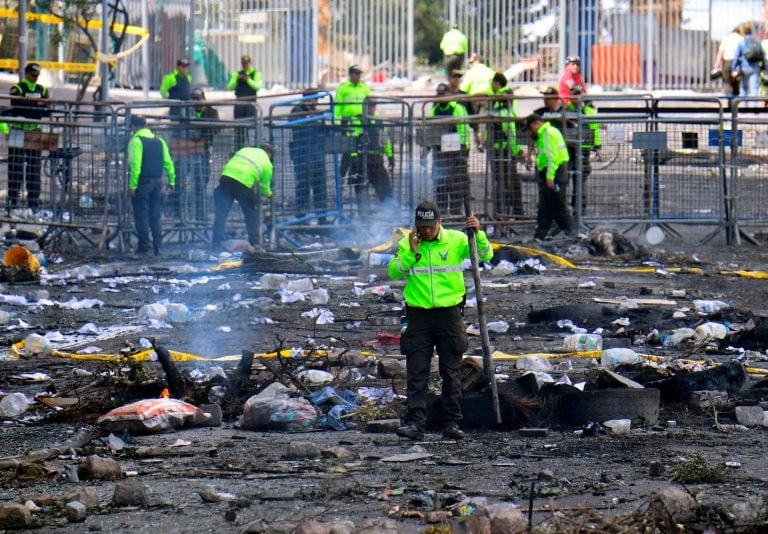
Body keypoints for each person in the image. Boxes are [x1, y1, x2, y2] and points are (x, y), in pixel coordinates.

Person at [389, 200, 493, 441]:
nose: (426, 231)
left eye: (430, 226)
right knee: (417, 371)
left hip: (449, 315)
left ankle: (452, 423)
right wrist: (412, 253)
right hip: (418, 316)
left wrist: (477, 233)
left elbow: (486, 254)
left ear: (440, 223)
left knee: (451, 371)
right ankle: (415, 423)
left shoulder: (456, 240)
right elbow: (394, 271)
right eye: (421, 227)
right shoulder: (407, 243)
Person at [126, 116, 176, 255]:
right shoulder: (159, 141)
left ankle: (143, 247)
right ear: (146, 125)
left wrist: (133, 185)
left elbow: (136, 165)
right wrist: (172, 181)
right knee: (155, 215)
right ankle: (158, 247)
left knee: (141, 215)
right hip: (157, 182)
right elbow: (168, 162)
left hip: (143, 182)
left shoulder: (136, 141)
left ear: (133, 127)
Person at [211, 144, 273, 250]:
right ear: (269, 154)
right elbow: (264, 187)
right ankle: (255, 244)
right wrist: (270, 194)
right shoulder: (267, 163)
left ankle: (216, 244)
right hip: (243, 184)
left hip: (226, 178)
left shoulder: (245, 150)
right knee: (250, 214)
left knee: (221, 214)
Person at [523, 113, 574, 242]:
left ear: (536, 124)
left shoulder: (547, 134)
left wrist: (550, 177)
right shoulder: (547, 132)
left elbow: (552, 157)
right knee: (547, 205)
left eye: (530, 129)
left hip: (554, 173)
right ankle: (540, 236)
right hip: (553, 172)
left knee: (556, 205)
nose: (530, 133)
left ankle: (572, 233)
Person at [7, 62, 50, 213]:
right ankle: (13, 200)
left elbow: (46, 108)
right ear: (26, 73)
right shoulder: (17, 87)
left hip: (35, 132)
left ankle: (33, 201)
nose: (35, 78)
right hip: (18, 131)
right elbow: (17, 104)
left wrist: (30, 103)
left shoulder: (43, 89)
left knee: (34, 169)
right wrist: (36, 104)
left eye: (37, 75)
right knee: (15, 168)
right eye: (33, 75)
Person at [427, 83, 470, 215]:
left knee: (457, 185)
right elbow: (430, 132)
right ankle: (442, 215)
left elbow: (464, 129)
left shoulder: (457, 108)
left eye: (443, 94)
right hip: (439, 154)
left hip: (455, 153)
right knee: (440, 185)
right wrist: (427, 149)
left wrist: (464, 149)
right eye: (439, 95)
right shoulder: (433, 111)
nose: (441, 97)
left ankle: (456, 214)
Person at [334, 65, 371, 210]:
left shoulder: (364, 88)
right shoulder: (343, 88)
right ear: (350, 75)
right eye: (355, 73)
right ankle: (340, 185)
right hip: (347, 126)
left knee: (360, 158)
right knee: (346, 158)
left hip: (361, 128)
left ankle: (358, 186)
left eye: (359, 73)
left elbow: (371, 104)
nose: (358, 76)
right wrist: (337, 123)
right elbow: (337, 106)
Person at [488, 72, 523, 217]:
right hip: (505, 147)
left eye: (492, 82)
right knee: (511, 181)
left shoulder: (501, 98)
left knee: (502, 181)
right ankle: (514, 211)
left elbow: (509, 130)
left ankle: (502, 212)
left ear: (497, 83)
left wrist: (516, 149)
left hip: (501, 148)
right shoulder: (499, 100)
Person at [289, 89, 328, 220]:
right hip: (303, 155)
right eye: (314, 99)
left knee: (320, 188)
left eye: (317, 100)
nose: (316, 102)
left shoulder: (316, 112)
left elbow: (323, 130)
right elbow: (298, 126)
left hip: (317, 155)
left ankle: (322, 217)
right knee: (303, 187)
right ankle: (300, 217)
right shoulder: (298, 110)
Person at [186, 88, 220, 221]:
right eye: (194, 99)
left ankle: (200, 214)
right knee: (179, 179)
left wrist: (202, 129)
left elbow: (216, 129)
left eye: (198, 99)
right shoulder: (187, 110)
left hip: (204, 150)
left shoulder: (212, 112)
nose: (197, 102)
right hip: (187, 151)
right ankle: (179, 212)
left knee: (202, 181)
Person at [566, 86, 600, 214]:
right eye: (573, 94)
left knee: (580, 180)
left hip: (584, 149)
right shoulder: (565, 110)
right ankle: (566, 209)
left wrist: (597, 147)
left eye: (578, 94)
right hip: (568, 149)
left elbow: (595, 129)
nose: (576, 97)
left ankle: (579, 209)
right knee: (565, 178)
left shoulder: (588, 112)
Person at [360, 100, 394, 203]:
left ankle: (388, 211)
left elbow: (385, 141)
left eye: (373, 106)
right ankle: (362, 214)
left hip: (376, 160)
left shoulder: (378, 121)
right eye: (369, 106)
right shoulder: (358, 120)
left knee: (385, 189)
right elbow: (352, 140)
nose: (371, 108)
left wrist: (390, 156)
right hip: (360, 161)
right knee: (360, 191)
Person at [227, 54, 263, 149]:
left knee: (251, 128)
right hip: (239, 104)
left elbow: (257, 86)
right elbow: (230, 86)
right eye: (243, 63)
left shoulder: (256, 74)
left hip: (251, 104)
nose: (245, 65)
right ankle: (238, 148)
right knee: (239, 129)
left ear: (250, 63)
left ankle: (253, 148)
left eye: (247, 63)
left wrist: (248, 80)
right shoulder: (237, 74)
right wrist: (237, 80)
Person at [732, 24, 765, 104]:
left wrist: (733, 68)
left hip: (744, 68)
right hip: (755, 68)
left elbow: (736, 57)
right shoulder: (757, 42)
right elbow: (762, 56)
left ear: (744, 33)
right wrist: (764, 68)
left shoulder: (742, 43)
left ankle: (744, 107)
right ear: (751, 33)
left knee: (744, 88)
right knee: (754, 88)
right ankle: (754, 108)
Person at [715, 25, 745, 96]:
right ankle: (735, 101)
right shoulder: (741, 39)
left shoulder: (726, 39)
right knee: (736, 82)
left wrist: (717, 64)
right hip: (738, 62)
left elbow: (721, 52)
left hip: (727, 62)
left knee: (727, 82)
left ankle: (729, 99)